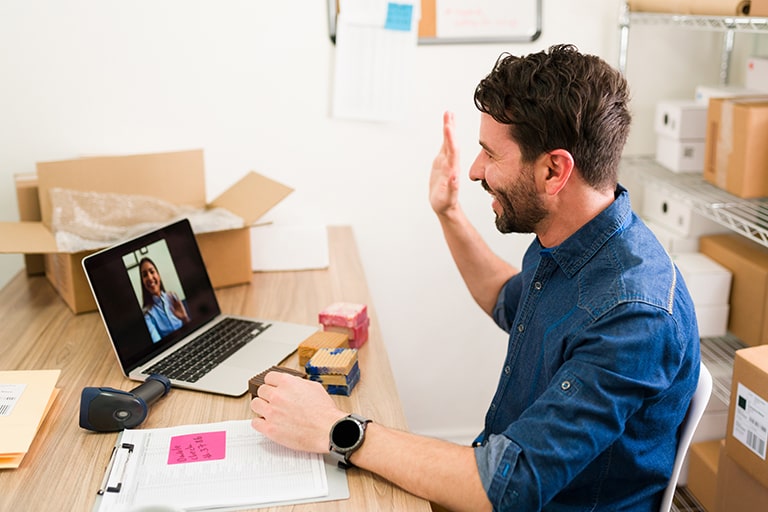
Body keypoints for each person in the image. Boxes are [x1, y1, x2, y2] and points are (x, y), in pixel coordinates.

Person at [249, 44, 700, 511]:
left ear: (554, 170)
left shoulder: (633, 314)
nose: (474, 170)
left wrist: (336, 429)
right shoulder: (577, 243)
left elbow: (508, 486)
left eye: (490, 153)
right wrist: (448, 213)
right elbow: (509, 300)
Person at [139, 257, 190, 342]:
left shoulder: (173, 297)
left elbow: (191, 328)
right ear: (143, 283)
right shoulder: (147, 314)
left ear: (159, 276)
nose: (150, 277)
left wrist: (185, 318)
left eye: (152, 272)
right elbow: (157, 343)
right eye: (145, 275)